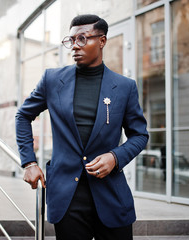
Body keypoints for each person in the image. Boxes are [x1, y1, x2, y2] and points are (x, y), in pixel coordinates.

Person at [15, 14, 149, 240]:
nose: (75, 46)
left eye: (82, 39)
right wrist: (29, 162)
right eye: (71, 40)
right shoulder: (52, 80)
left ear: (102, 41)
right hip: (66, 197)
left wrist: (115, 157)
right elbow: (23, 115)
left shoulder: (125, 87)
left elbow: (139, 135)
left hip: (111, 194)